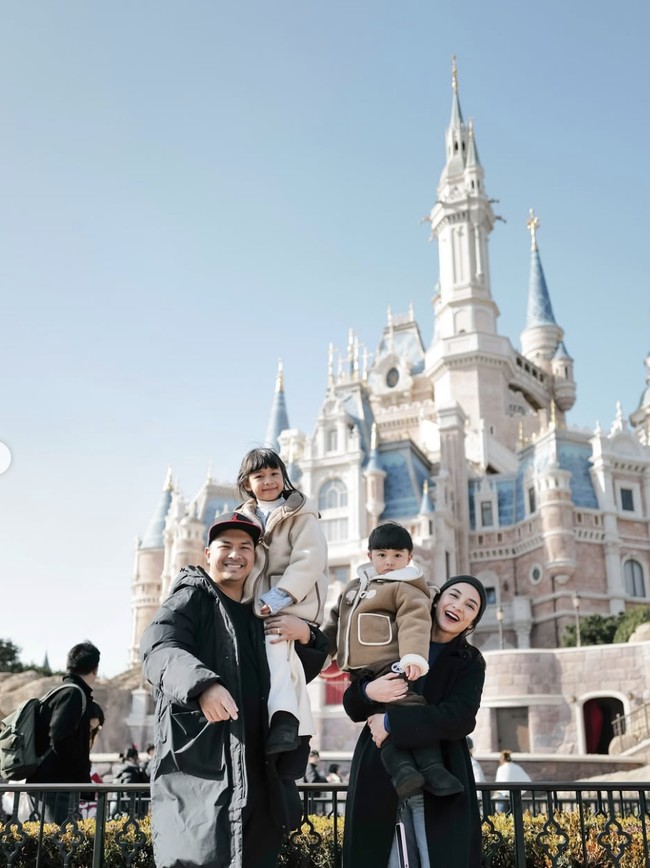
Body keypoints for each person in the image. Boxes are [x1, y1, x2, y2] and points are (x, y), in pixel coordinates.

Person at [141, 511, 328, 868]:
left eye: (245, 546)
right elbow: (158, 649)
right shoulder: (191, 598)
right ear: (207, 553)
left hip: (258, 782)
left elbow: (293, 672)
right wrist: (203, 686)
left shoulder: (257, 614)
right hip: (200, 782)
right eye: (225, 545)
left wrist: (307, 636)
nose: (235, 553)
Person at [342, 576, 488, 868]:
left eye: (469, 606)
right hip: (381, 772)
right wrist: (369, 690)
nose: (458, 606)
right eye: (454, 596)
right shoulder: (394, 638)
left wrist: (392, 723)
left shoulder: (469, 661)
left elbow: (459, 717)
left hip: (441, 778)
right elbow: (352, 704)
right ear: (436, 599)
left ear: (471, 623)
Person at [323, 522, 462, 800]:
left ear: (409, 557)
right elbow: (335, 624)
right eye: (382, 554)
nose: (389, 562)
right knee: (379, 721)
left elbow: (414, 619)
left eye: (397, 555)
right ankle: (403, 772)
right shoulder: (352, 589)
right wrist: (323, 654)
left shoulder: (405, 586)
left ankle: (434, 769)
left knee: (405, 707)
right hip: (361, 673)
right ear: (369, 556)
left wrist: (413, 655)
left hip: (389, 663)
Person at [236, 447, 328, 755]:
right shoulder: (242, 518)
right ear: (247, 483)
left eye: (274, 474)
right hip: (253, 605)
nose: (269, 481)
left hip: (288, 603)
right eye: (259, 476)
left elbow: (309, 559)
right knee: (280, 668)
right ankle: (288, 726)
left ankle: (286, 722)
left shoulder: (301, 513)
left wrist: (280, 596)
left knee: (277, 648)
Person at [26, 640, 100, 824]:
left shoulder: (61, 692)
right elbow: (60, 736)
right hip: (57, 786)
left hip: (49, 784)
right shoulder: (73, 694)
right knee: (60, 844)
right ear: (95, 669)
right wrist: (79, 766)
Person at [494, 749, 532, 813]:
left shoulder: (501, 768)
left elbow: (497, 784)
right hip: (516, 795)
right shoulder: (517, 767)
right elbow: (527, 780)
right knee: (517, 817)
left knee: (503, 819)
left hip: (504, 797)